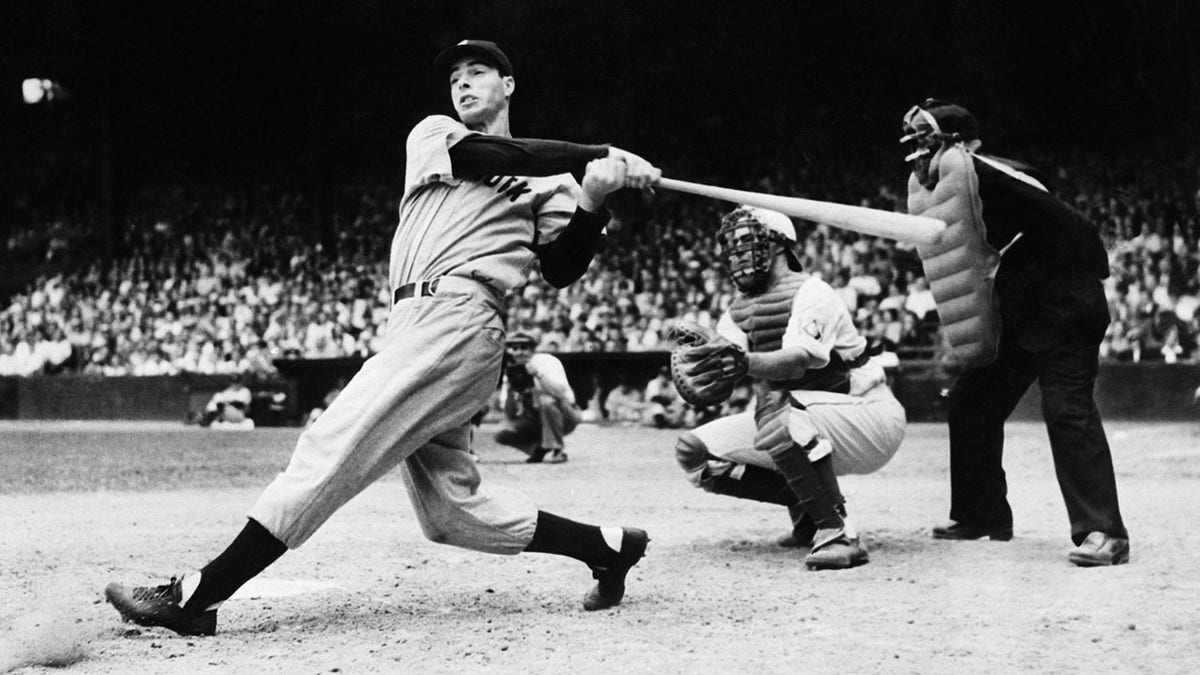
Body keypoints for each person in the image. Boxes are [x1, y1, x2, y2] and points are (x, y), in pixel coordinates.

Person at [104, 39, 660, 636]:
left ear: (509, 85)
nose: (464, 84)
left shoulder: (552, 188)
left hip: (461, 320)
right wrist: (601, 153)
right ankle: (606, 547)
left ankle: (198, 597)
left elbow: (561, 268)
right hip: (416, 324)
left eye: (479, 72)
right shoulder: (437, 134)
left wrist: (595, 202)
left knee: (329, 447)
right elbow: (494, 153)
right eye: (455, 78)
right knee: (452, 512)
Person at [902, 98, 1129, 566]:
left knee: (1067, 409)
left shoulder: (992, 174)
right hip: (1021, 316)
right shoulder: (952, 189)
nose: (921, 153)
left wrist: (1089, 275)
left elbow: (1079, 230)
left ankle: (1105, 532)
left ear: (964, 145)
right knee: (971, 401)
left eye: (930, 141)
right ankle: (982, 514)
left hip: (1067, 311)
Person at [672, 206, 906, 570]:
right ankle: (810, 511)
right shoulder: (737, 311)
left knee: (780, 410)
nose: (737, 254)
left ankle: (839, 532)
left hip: (869, 414)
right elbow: (725, 362)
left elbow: (797, 361)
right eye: (731, 246)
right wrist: (712, 370)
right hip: (808, 417)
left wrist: (743, 362)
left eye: (747, 241)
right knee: (696, 454)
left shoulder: (813, 291)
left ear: (778, 244)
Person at [494, 331, 581, 463]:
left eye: (524, 347)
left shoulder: (547, 361)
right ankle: (539, 449)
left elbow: (560, 393)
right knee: (501, 431)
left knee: (546, 401)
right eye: (514, 348)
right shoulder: (513, 371)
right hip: (536, 418)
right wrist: (512, 390)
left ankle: (558, 450)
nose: (519, 352)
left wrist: (538, 374)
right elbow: (510, 414)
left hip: (565, 414)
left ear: (533, 348)